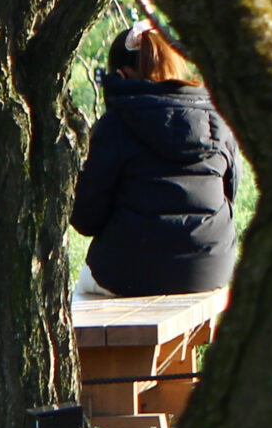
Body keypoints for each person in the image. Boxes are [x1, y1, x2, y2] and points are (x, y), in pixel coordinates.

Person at [71, 20, 240, 298]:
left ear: (121, 75)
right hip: (211, 267)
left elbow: (86, 220)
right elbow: (229, 195)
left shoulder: (115, 126)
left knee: (79, 296)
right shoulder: (219, 120)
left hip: (128, 275)